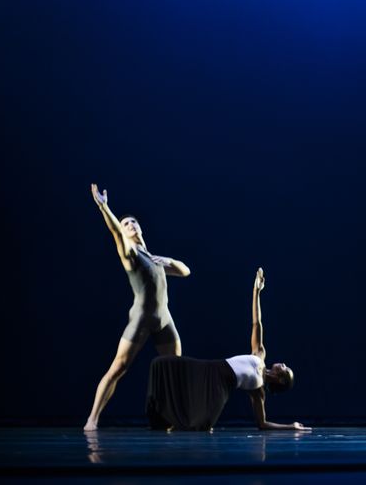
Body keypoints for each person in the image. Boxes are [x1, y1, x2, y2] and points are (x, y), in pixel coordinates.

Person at [146, 267, 308, 431]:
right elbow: (256, 323)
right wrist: (256, 292)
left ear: (281, 379)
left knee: (201, 424)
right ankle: (161, 416)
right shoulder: (259, 355)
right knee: (163, 363)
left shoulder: (258, 391)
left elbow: (262, 424)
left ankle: (175, 419)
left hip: (218, 389)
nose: (283, 364)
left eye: (285, 369)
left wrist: (291, 426)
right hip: (209, 369)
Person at [84, 184, 189, 431]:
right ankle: (92, 419)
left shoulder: (154, 259)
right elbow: (116, 234)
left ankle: (173, 418)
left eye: (134, 222)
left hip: (164, 319)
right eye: (126, 224)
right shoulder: (130, 254)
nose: (131, 225)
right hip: (141, 318)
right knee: (118, 368)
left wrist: (167, 260)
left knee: (175, 368)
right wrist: (104, 206)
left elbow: (185, 271)